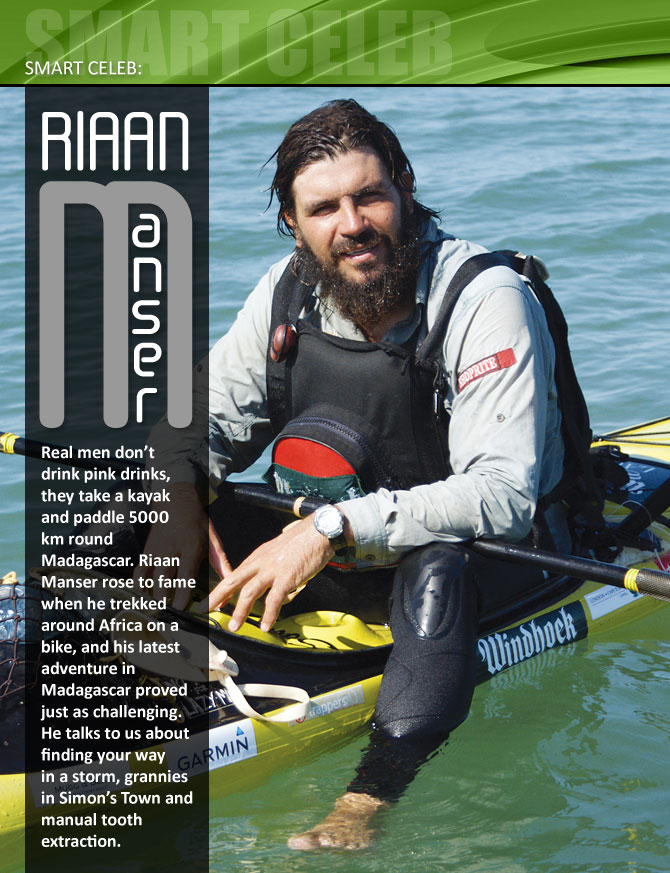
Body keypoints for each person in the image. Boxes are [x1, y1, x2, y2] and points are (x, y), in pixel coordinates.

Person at [144, 99, 569, 850]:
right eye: (323, 209)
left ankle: (366, 802)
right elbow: (194, 423)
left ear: (405, 187)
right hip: (338, 542)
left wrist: (328, 527)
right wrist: (180, 490)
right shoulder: (287, 291)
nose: (352, 225)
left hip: (479, 560)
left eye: (369, 196)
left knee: (437, 570)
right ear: (292, 222)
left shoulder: (484, 299)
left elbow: (503, 495)